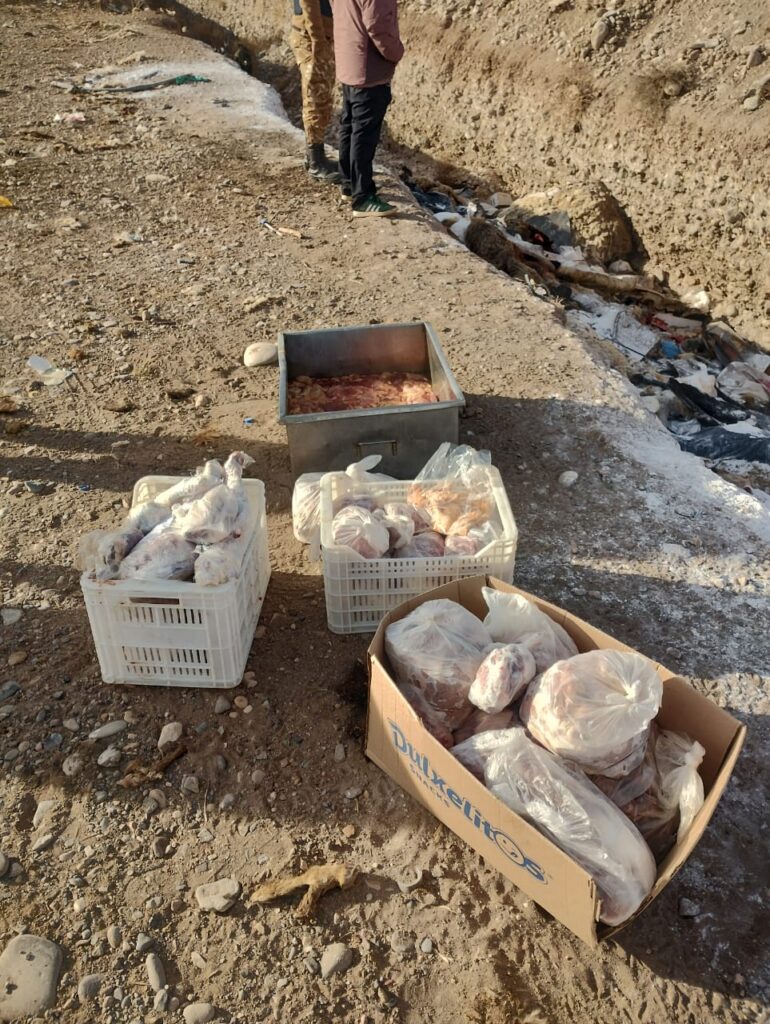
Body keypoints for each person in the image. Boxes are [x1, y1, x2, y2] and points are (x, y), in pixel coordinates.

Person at [331, 0, 404, 217]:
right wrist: (396, 52)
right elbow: (377, 24)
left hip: (349, 61)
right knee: (363, 134)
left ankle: (349, 184)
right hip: (368, 69)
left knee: (350, 126)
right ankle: (362, 197)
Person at [290, 0, 342, 182]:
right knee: (316, 96)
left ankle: (314, 157)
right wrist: (318, 42)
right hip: (313, 37)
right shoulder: (316, 39)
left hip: (317, 34)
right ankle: (315, 162)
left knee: (320, 95)